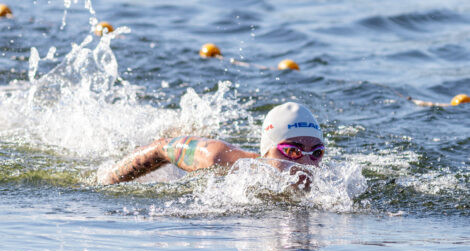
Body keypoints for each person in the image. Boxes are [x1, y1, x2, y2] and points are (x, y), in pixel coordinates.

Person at [101, 102, 325, 185]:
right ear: (266, 151)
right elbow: (163, 147)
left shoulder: (333, 182)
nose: (306, 163)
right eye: (292, 151)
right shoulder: (219, 160)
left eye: (317, 153)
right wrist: (108, 180)